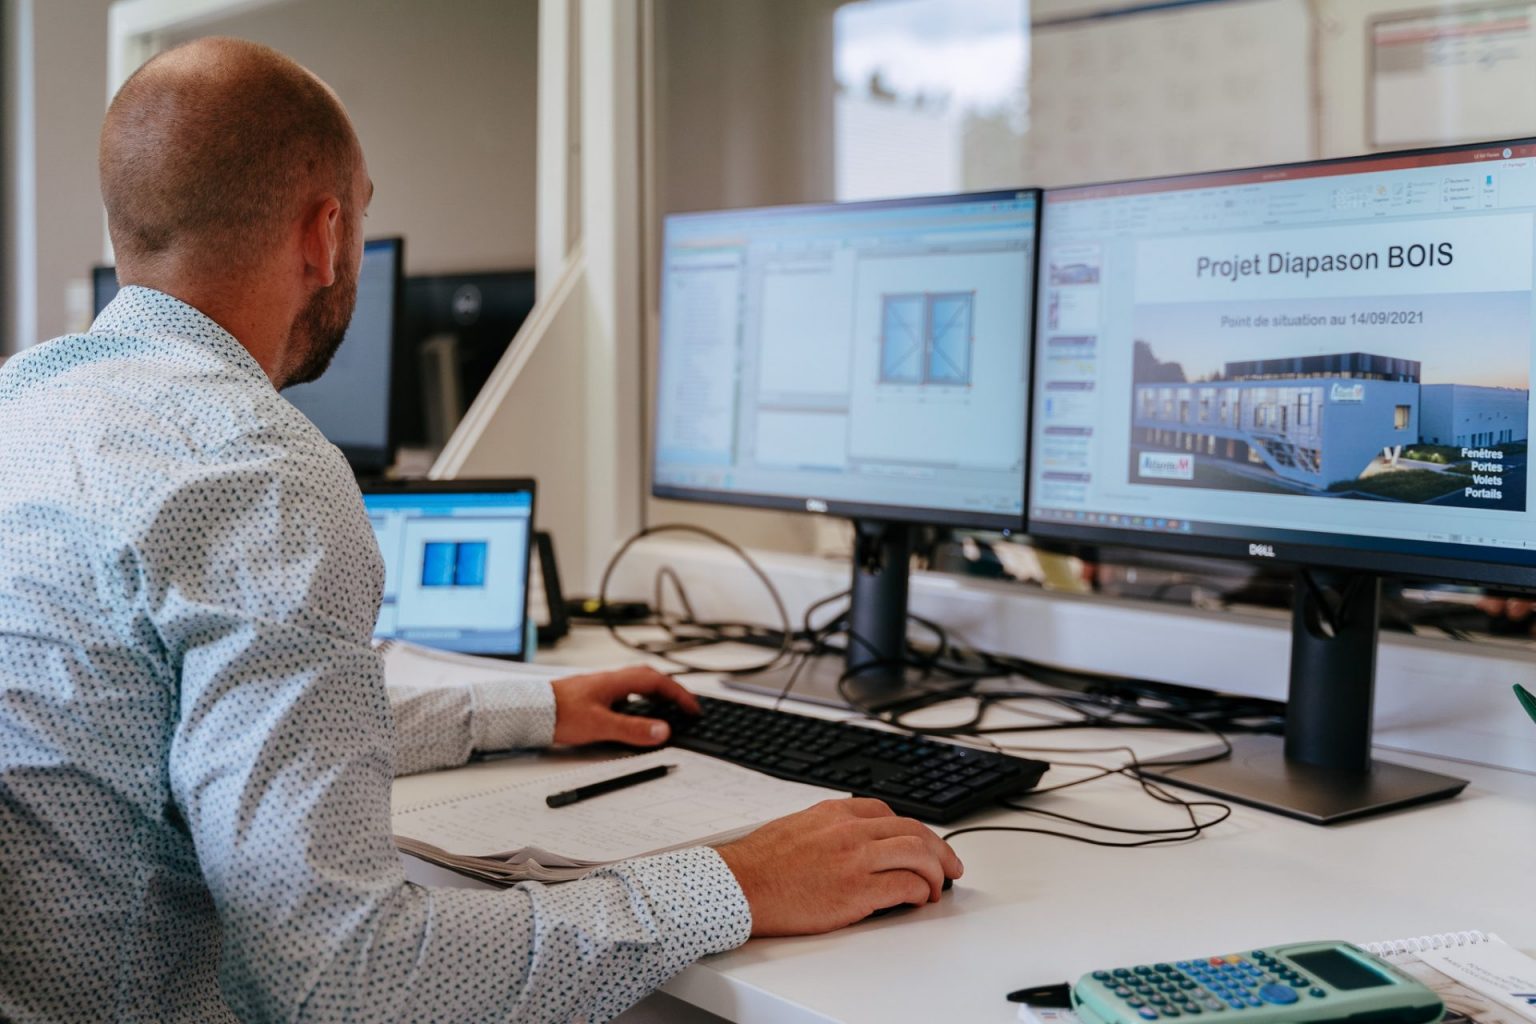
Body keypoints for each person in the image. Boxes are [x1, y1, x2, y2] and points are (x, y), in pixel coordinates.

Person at [0, 37, 961, 1023]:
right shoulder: (258, 472)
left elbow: (210, 726)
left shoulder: (24, 407)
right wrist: (735, 881)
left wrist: (529, 714)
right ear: (326, 235)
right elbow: (347, 981)